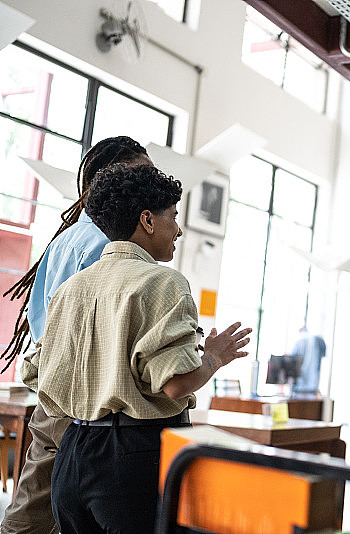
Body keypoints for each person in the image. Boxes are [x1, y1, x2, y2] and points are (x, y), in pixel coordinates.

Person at [21, 163, 252, 534]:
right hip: (131, 460)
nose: (178, 229)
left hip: (71, 454)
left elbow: (35, 370)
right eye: (173, 216)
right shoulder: (164, 283)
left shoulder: (72, 288)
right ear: (147, 220)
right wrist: (212, 357)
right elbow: (174, 384)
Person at [0, 136, 153, 534]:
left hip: (55, 390)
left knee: (37, 501)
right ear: (107, 184)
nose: (148, 187)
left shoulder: (66, 238)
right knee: (47, 511)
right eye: (141, 176)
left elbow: (42, 324)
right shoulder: (108, 245)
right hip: (81, 402)